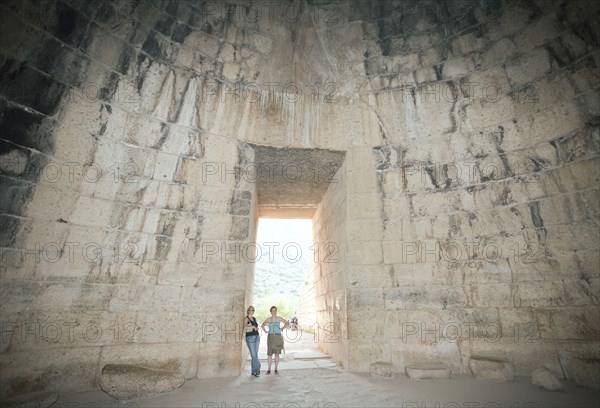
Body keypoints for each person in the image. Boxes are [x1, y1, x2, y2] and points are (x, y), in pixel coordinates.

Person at [261, 306, 289, 374]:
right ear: (271, 312)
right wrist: (265, 331)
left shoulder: (279, 318)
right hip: (270, 337)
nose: (274, 312)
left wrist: (282, 328)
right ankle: (269, 369)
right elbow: (262, 325)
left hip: (277, 336)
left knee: (277, 354)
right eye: (273, 311)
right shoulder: (269, 319)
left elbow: (287, 323)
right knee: (270, 354)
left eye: (275, 310)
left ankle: (276, 369)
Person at [243, 305, 261, 377]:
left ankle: (254, 371)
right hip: (250, 338)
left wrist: (256, 328)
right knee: (253, 355)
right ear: (248, 310)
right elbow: (244, 327)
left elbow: (255, 326)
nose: (252, 311)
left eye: (253, 310)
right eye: (251, 310)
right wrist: (252, 327)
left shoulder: (254, 318)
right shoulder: (246, 319)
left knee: (255, 354)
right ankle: (257, 368)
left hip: (257, 337)